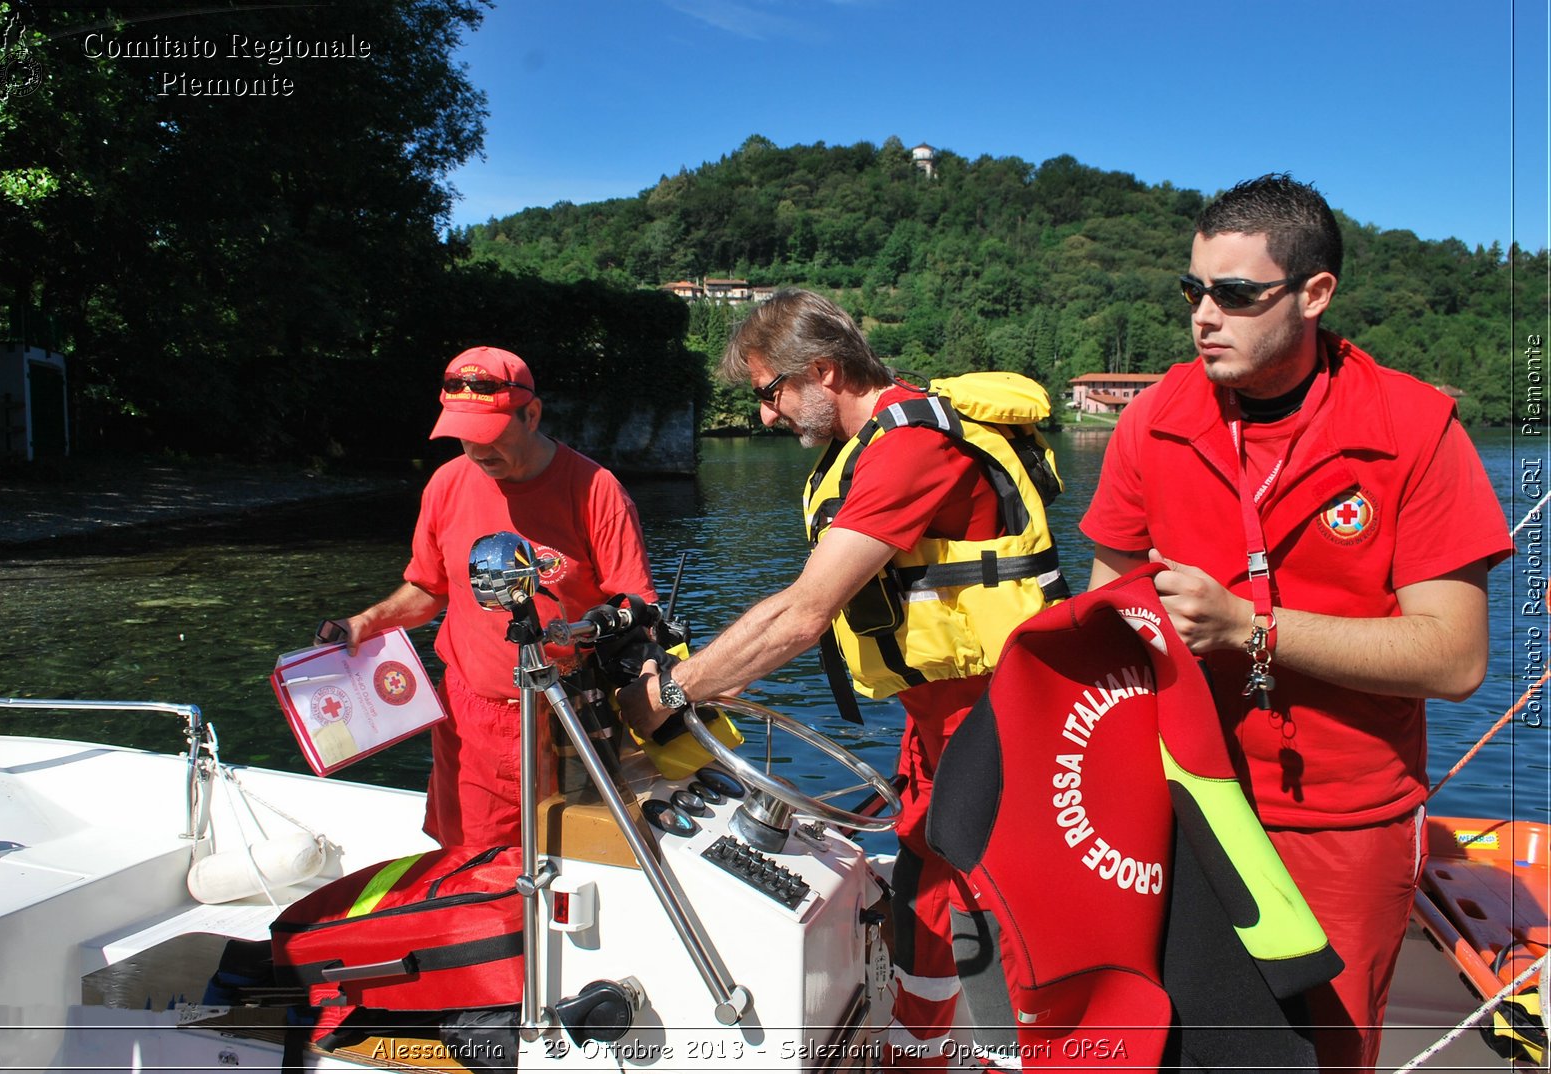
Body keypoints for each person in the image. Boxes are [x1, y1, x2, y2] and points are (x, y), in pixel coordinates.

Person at [1080, 173, 1512, 1070]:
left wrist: (1249, 626)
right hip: (1184, 807)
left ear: (1315, 294)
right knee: (1179, 1047)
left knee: (1326, 1053)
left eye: (1237, 295)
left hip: (1342, 822)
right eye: (1192, 290)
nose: (1205, 315)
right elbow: (1105, 612)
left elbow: (1456, 655)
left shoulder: (1414, 429)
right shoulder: (1155, 419)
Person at [618, 289, 1068, 1068]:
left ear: (821, 371)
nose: (763, 416)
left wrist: (664, 695)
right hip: (942, 725)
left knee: (1008, 917)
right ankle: (912, 1054)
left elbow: (802, 615)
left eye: (769, 393)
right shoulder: (864, 449)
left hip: (1004, 724)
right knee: (926, 891)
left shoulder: (909, 448)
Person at [326, 346, 656, 849]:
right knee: (470, 856)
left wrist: (654, 686)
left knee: (570, 858)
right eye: (463, 436)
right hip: (470, 715)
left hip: (567, 712)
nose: (477, 452)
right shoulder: (446, 484)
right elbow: (428, 588)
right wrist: (367, 622)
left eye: (490, 435)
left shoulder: (594, 490)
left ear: (532, 414)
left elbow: (634, 608)